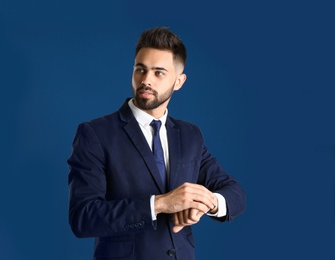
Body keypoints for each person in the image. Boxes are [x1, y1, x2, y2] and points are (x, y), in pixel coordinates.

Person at [67, 27, 246, 260]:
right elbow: (83, 217)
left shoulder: (190, 134)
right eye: (140, 70)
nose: (146, 80)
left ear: (179, 81)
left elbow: (234, 193)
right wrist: (159, 204)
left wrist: (206, 202)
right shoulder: (94, 134)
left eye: (159, 73)